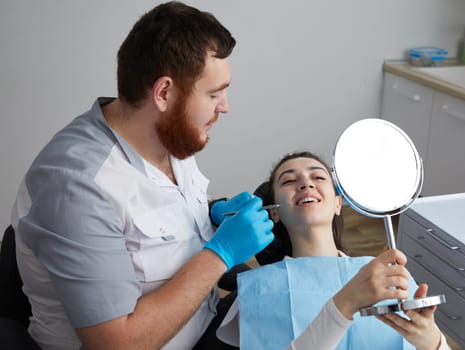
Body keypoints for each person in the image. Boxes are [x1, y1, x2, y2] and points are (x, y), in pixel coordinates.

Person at [11, 2, 274, 349]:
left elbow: (147, 224)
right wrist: (220, 253)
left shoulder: (168, 134)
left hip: (204, 323)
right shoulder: (75, 185)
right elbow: (119, 343)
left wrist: (209, 216)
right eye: (214, 93)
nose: (224, 106)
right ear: (164, 93)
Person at [217, 151, 450, 350]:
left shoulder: (386, 274)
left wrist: (432, 341)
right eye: (288, 181)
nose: (306, 184)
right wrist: (344, 305)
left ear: (338, 203)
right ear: (274, 212)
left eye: (318, 176)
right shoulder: (258, 289)